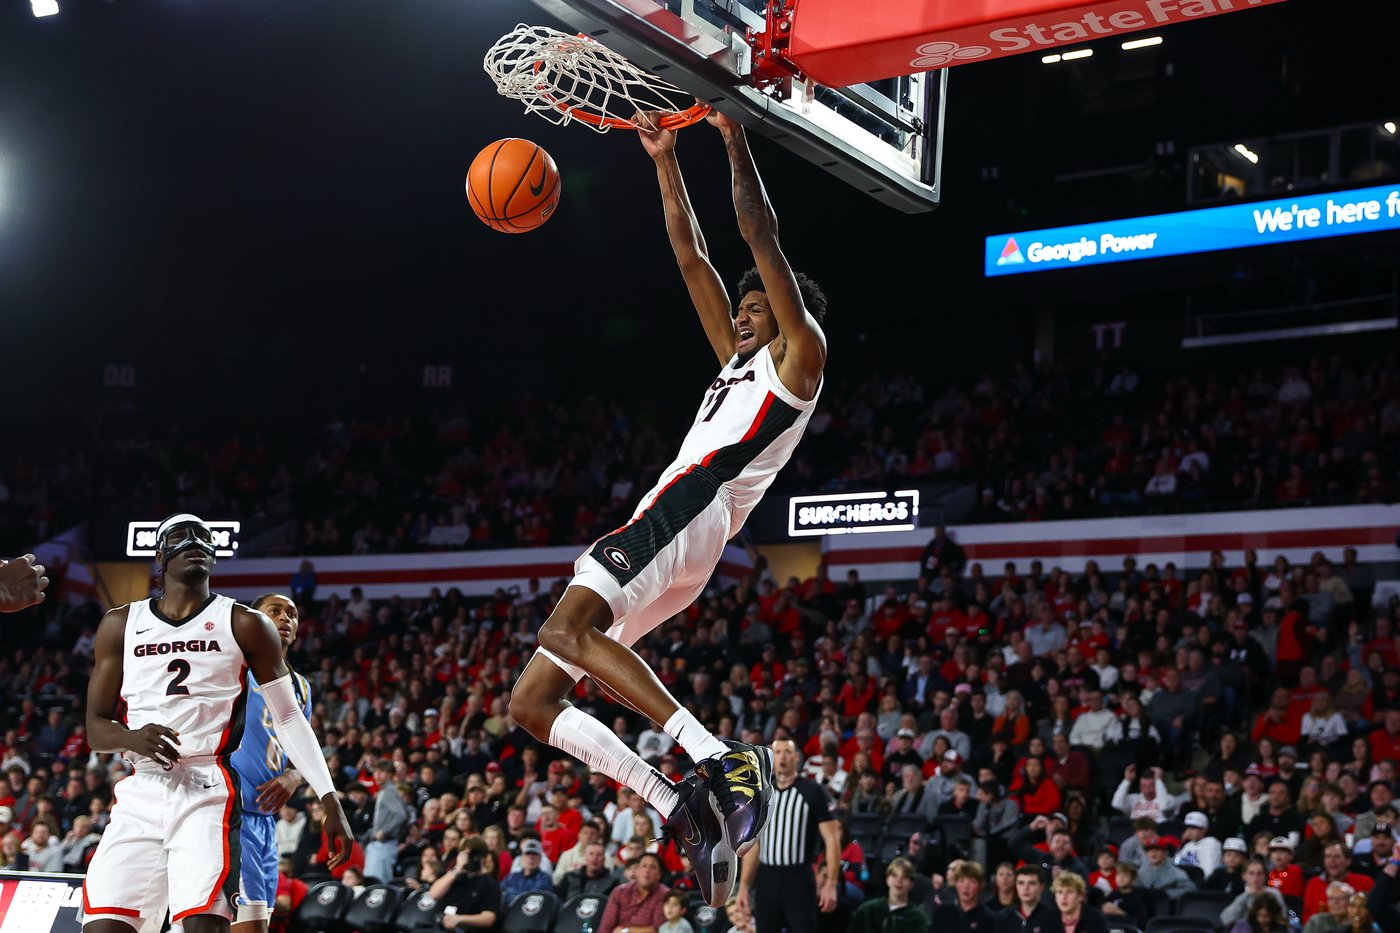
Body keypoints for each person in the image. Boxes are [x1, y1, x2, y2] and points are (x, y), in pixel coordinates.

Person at [506, 106, 829, 911]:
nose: (743, 315)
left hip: (689, 509)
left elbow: (759, 239)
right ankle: (676, 800)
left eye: (757, 309)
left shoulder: (800, 358)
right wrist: (662, 158)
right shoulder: (737, 362)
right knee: (532, 701)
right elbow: (693, 256)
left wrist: (735, 139)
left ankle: (719, 757)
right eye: (744, 310)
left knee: (562, 628)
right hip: (683, 529)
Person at [79, 514, 351, 933]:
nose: (195, 542)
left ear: (215, 557)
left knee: (206, 925)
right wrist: (133, 737)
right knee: (104, 927)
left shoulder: (245, 622)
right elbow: (96, 729)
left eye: (205, 538)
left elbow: (290, 716)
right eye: (181, 536)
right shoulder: (120, 623)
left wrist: (328, 797)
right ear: (160, 555)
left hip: (209, 786)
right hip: (141, 790)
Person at [229, 594, 313, 933]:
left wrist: (294, 776)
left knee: (259, 924)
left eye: (291, 614)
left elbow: (304, 751)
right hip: (232, 815)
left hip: (266, 822)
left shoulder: (302, 688)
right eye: (274, 611)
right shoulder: (235, 668)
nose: (284, 619)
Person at [736, 739, 841, 933]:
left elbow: (832, 839)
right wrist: (744, 886)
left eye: (787, 752)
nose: (782, 756)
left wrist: (831, 884)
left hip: (799, 878)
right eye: (778, 752)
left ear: (797, 757)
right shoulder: (762, 794)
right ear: (771, 758)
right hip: (767, 877)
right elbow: (754, 844)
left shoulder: (812, 791)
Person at [427, 836, 502, 931]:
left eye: (474, 855)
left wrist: (459, 918)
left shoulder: (490, 885)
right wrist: (457, 869)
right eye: (467, 854)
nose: (471, 859)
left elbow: (489, 918)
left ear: (484, 857)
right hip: (439, 926)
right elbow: (433, 894)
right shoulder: (455, 877)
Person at [850, 856, 930, 933]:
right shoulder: (867, 910)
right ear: (887, 879)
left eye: (905, 877)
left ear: (911, 884)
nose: (899, 880)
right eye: (894, 875)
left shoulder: (917, 918)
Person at [599, 852, 671, 933]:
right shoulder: (619, 892)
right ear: (636, 870)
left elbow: (658, 929)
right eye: (644, 866)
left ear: (659, 874)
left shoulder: (666, 895)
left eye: (653, 867)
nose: (647, 870)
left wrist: (626, 931)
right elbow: (605, 927)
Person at [933, 860, 999, 933]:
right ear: (956, 884)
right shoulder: (942, 912)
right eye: (961, 880)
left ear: (980, 886)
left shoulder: (989, 919)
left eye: (972, 881)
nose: (966, 886)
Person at [997, 865, 1063, 933]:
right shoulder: (1004, 917)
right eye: (1021, 883)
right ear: (1016, 886)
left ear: (1041, 887)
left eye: (1032, 883)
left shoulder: (1052, 918)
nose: (1026, 888)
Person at [1222, 859, 1289, 928]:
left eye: (1259, 874)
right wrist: (1246, 896)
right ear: (1244, 876)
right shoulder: (1240, 895)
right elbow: (1226, 920)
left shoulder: (1274, 893)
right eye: (1251, 873)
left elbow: (1283, 917)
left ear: (1265, 876)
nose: (1255, 878)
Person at [500, 838, 555, 903]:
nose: (530, 858)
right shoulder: (512, 877)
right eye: (528, 854)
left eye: (534, 854)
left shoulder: (545, 878)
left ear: (540, 859)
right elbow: (498, 892)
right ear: (521, 857)